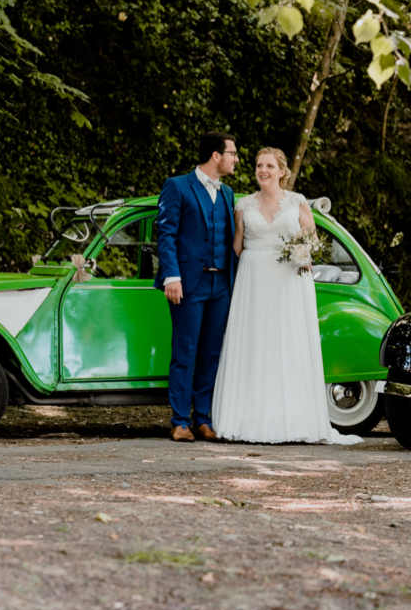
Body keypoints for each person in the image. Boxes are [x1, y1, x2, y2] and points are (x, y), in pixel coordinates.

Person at [209, 145, 361, 445]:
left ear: (281, 171)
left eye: (268, 166)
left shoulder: (298, 202)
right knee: (254, 343)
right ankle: (247, 418)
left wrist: (303, 254)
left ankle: (293, 419)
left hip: (289, 281)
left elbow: (313, 240)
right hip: (253, 281)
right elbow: (237, 247)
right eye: (257, 165)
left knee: (287, 343)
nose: (262, 170)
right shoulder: (242, 205)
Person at [155, 130, 239, 444]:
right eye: (232, 153)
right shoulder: (177, 186)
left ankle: (202, 419)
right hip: (189, 282)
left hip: (221, 284)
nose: (235, 159)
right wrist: (171, 276)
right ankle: (179, 421)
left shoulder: (228, 194)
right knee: (185, 353)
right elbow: (166, 234)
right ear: (216, 155)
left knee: (211, 354)